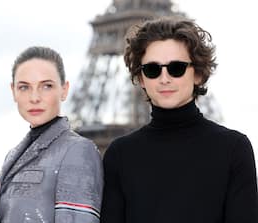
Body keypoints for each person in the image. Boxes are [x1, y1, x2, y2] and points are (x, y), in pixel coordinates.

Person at [100, 16, 258, 223]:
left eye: (176, 68)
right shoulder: (119, 155)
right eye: (152, 70)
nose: (165, 78)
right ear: (141, 79)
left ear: (198, 74)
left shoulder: (234, 148)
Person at [0, 46, 103, 223]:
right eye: (24, 87)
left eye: (46, 86)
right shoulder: (12, 155)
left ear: (64, 90)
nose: (35, 97)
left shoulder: (78, 151)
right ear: (13, 92)